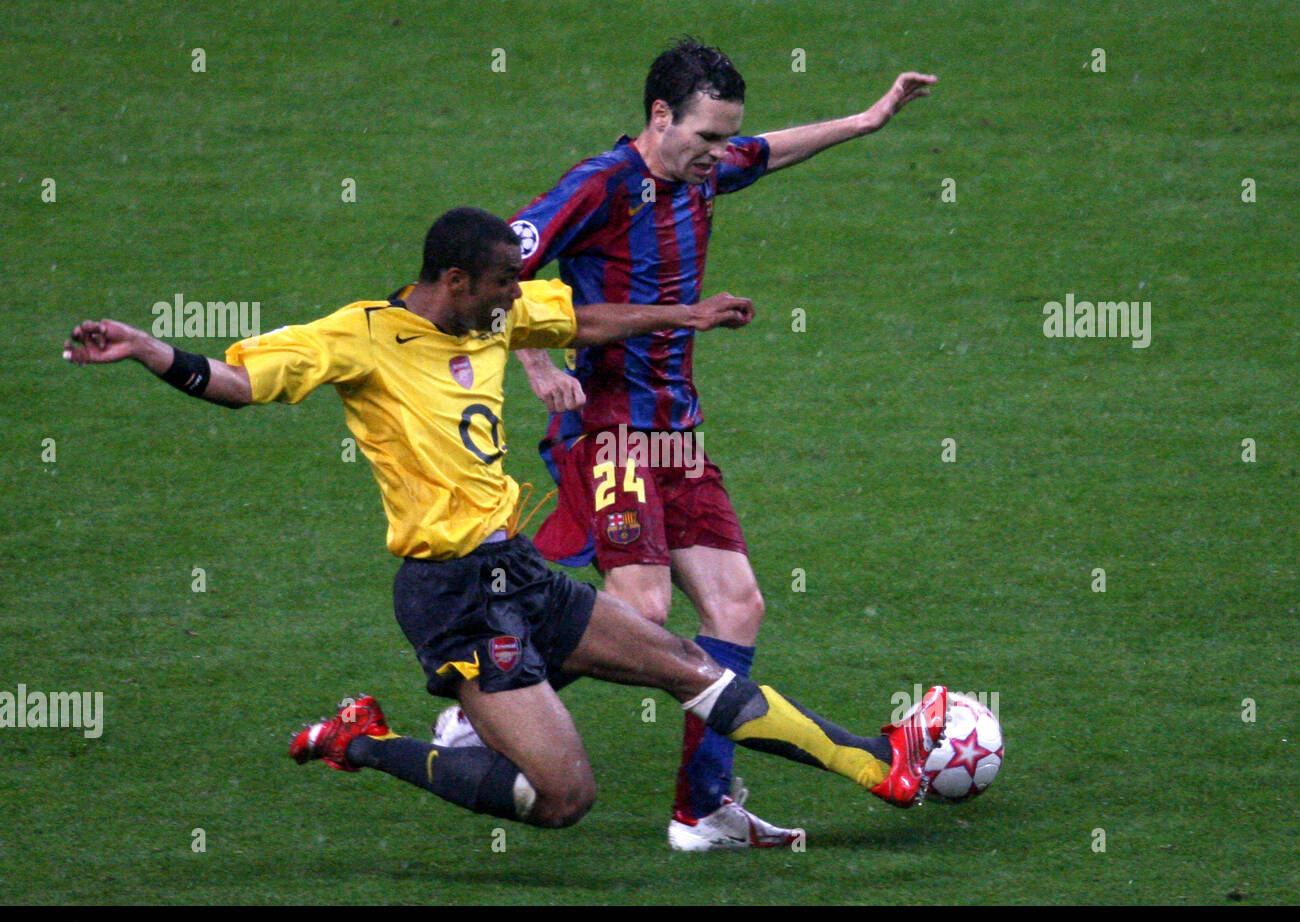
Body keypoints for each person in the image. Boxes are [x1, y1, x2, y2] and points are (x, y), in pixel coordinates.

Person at [62, 207, 948, 835]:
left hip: (514, 570)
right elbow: (239, 383)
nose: (510, 304)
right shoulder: (357, 337)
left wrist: (684, 314)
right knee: (562, 801)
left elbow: (580, 318)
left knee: (684, 661)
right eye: (497, 289)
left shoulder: (496, 313)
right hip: (451, 595)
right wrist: (149, 350)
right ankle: (366, 744)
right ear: (451, 280)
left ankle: (881, 763)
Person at [452, 40, 938, 850]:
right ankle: (483, 697)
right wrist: (536, 363)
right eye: (708, 138)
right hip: (606, 426)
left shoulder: (703, 167)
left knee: (739, 604)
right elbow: (494, 261)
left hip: (677, 432)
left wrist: (867, 119)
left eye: (726, 139)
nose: (722, 155)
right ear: (660, 117)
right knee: (643, 608)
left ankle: (703, 809)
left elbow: (767, 152)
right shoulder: (600, 185)